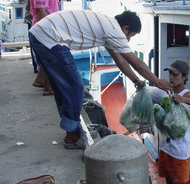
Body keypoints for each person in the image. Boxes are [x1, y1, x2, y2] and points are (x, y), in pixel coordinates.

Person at [29, 9, 172, 149]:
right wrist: (157, 81)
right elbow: (137, 63)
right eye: (130, 36)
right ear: (125, 28)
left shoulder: (108, 25)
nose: (127, 40)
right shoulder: (115, 31)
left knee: (64, 87)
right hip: (49, 37)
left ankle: (70, 129)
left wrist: (136, 81)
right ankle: (72, 136)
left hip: (40, 34)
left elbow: (120, 61)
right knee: (75, 87)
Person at [29, 0, 59, 95]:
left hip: (49, 24)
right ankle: (48, 88)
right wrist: (47, 31)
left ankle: (41, 81)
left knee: (46, 57)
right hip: (44, 26)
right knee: (49, 58)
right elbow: (41, 10)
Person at [14, 0, 40, 73]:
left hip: (34, 15)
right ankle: (37, 67)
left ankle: (38, 67)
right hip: (32, 16)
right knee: (35, 43)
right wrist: (27, 1)